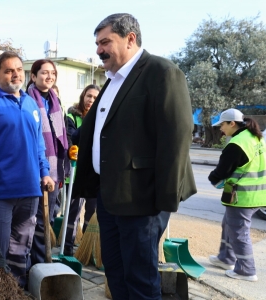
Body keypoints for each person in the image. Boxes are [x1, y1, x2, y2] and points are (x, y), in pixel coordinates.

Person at [73, 14, 196, 299]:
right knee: (115, 272)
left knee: (140, 278)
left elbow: (176, 139)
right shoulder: (112, 80)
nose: (99, 50)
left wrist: (162, 202)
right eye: (97, 43)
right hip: (109, 197)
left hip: (143, 201)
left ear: (130, 38)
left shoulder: (162, 72)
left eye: (105, 42)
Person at [0, 51, 54, 299]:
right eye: (9, 70)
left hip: (30, 190)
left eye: (19, 69)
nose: (16, 74)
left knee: (20, 252)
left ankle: (12, 295)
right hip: (0, 193)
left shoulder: (30, 103)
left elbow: (38, 144)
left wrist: (45, 172)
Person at [208, 108, 266, 282]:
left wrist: (213, 179)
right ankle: (226, 259)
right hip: (258, 194)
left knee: (239, 232)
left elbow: (222, 170)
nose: (220, 129)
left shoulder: (237, 143)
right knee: (229, 225)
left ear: (232, 123)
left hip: (242, 196)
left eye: (222, 125)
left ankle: (246, 270)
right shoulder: (256, 138)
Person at [24, 59, 70, 262]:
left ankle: (41, 262)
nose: (49, 76)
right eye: (44, 73)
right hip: (34, 169)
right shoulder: (26, 101)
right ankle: (32, 262)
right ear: (33, 76)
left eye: (52, 73)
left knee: (48, 217)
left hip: (54, 169)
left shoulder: (55, 101)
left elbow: (61, 133)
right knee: (33, 219)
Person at [63, 84, 100, 254]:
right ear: (83, 97)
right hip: (75, 174)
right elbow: (70, 138)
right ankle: (68, 247)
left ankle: (87, 250)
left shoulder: (102, 117)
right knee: (73, 213)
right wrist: (90, 120)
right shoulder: (71, 116)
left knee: (92, 214)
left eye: (94, 97)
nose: (91, 100)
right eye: (88, 96)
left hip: (93, 175)